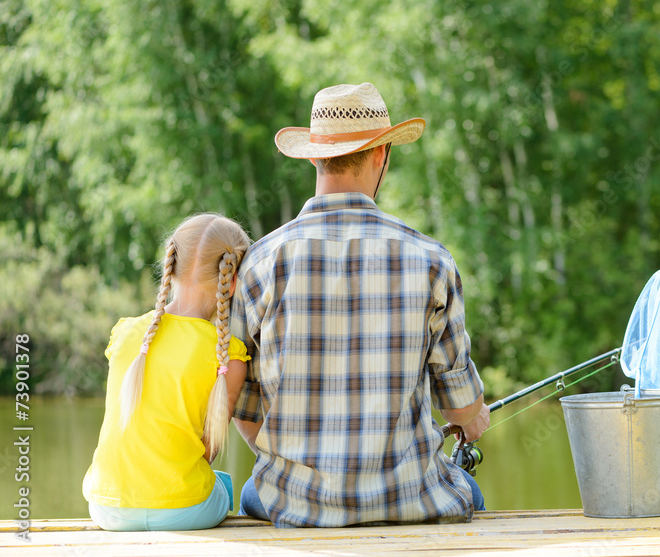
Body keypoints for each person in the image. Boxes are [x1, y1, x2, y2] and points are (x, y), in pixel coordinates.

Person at [231, 82, 489, 528]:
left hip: (292, 503)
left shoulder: (260, 263)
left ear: (314, 155)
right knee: (473, 494)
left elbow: (245, 410)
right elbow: (459, 409)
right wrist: (475, 417)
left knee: (251, 488)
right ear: (380, 155)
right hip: (411, 500)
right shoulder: (431, 260)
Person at [82, 214, 252, 531]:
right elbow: (208, 451)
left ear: (170, 267)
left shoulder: (126, 333)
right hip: (183, 510)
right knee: (222, 484)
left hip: (107, 507)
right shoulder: (229, 355)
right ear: (231, 281)